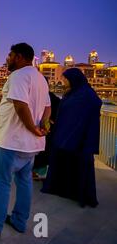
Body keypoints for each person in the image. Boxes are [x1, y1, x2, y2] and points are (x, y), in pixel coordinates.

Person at [0, 43, 51, 238]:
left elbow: (20, 106)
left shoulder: (18, 76)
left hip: (13, 142)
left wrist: (33, 129)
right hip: (31, 145)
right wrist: (42, 127)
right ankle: (19, 221)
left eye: (10, 55)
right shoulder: (40, 78)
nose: (7, 58)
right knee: (24, 181)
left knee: (1, 181)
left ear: (20, 57)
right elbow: (47, 107)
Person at [41, 68, 102, 208]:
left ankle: (76, 193)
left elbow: (93, 107)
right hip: (67, 135)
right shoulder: (74, 93)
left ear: (74, 79)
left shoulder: (86, 95)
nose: (63, 81)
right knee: (64, 161)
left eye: (65, 79)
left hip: (80, 139)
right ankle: (65, 189)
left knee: (79, 164)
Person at [32, 77, 61, 180]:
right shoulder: (51, 96)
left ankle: (35, 172)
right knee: (43, 151)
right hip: (46, 129)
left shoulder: (40, 96)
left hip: (41, 128)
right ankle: (39, 172)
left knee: (41, 152)